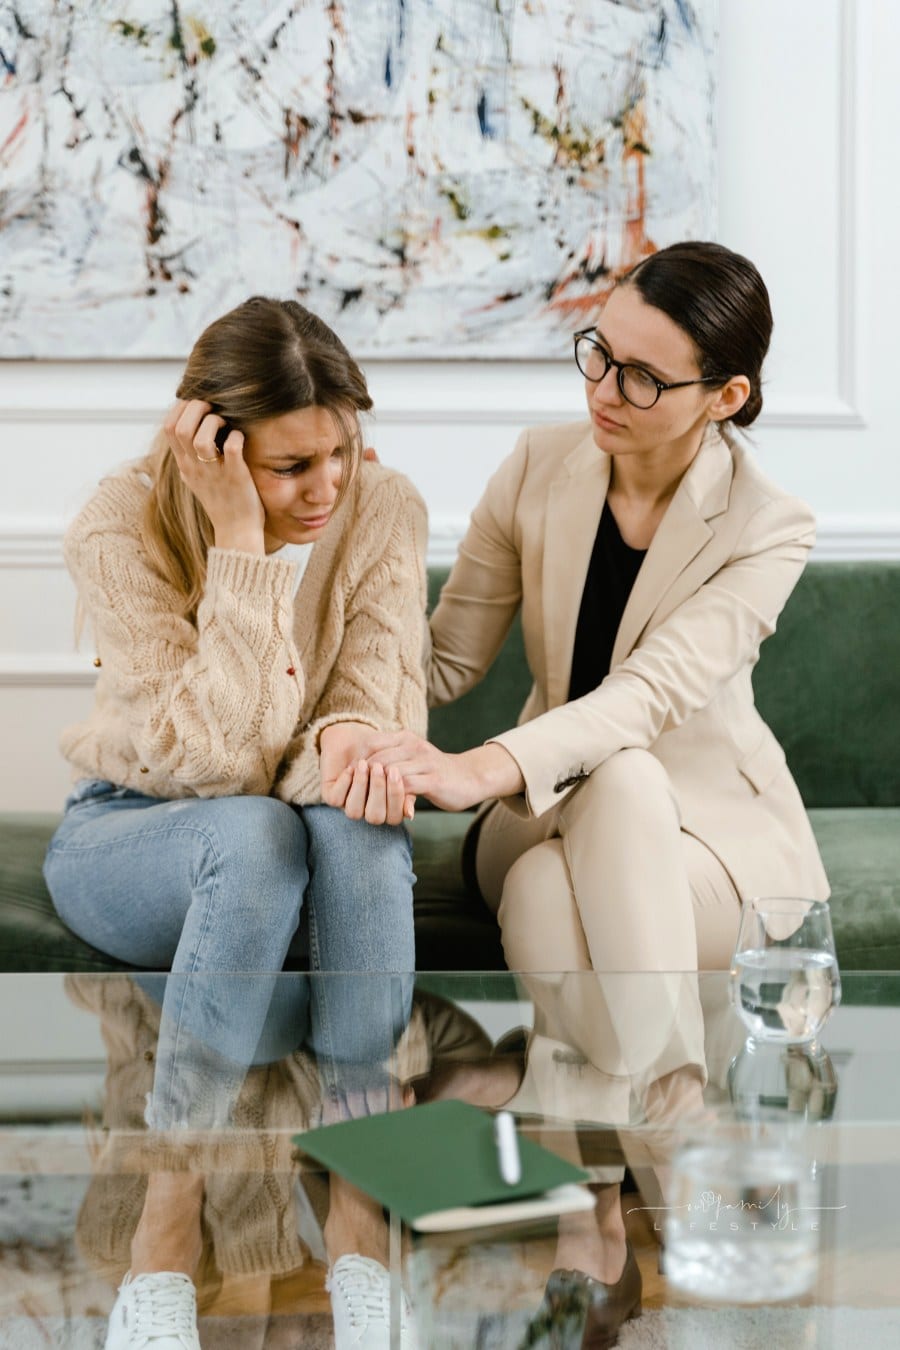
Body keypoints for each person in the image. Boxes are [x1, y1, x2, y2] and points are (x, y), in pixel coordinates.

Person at [340, 242, 830, 1347]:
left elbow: (651, 695)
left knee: (599, 817)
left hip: (708, 846)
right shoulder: (537, 465)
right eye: (599, 356)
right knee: (577, 835)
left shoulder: (769, 522)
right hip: (546, 818)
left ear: (728, 396)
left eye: (646, 378)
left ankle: (591, 1196)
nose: (606, 392)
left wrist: (482, 770)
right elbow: (444, 660)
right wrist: (357, 551)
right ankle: (678, 1125)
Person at [43, 296, 427, 1350]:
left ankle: (359, 1221)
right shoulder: (118, 525)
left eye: (340, 450)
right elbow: (210, 763)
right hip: (135, 834)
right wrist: (241, 545)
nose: (327, 487)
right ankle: (166, 1230)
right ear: (209, 444)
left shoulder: (386, 507)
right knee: (259, 830)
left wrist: (346, 736)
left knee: (353, 827)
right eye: (289, 466)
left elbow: (377, 701)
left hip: (288, 843)